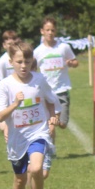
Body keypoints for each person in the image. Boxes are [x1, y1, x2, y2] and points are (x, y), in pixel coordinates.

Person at [0, 42, 60, 189]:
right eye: (19, 61)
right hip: (17, 138)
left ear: (32, 62)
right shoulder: (6, 85)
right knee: (20, 180)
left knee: (36, 168)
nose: (23, 65)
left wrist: (53, 115)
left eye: (27, 61)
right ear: (10, 61)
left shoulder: (39, 79)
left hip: (38, 133)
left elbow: (51, 100)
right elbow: (0, 116)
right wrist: (15, 104)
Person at [36, 18, 79, 173]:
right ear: (42, 31)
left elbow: (75, 62)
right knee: (51, 125)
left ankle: (51, 146)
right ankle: (50, 149)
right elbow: (33, 69)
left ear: (56, 31)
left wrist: (71, 63)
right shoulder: (38, 51)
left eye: (52, 30)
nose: (50, 33)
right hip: (46, 93)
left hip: (62, 90)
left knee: (62, 123)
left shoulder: (63, 47)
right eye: (47, 30)